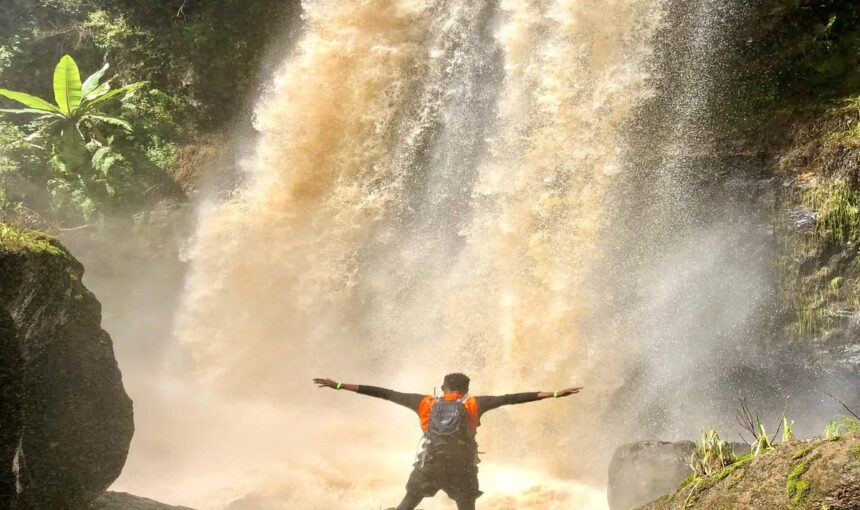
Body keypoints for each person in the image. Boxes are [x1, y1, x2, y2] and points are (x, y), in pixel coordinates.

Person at [313, 373, 583, 510]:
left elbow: (383, 393)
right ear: (466, 389)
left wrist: (338, 385)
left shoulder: (425, 402)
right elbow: (513, 397)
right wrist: (557, 393)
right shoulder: (475, 403)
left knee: (407, 504)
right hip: (462, 470)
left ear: (443, 388)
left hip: (428, 466)